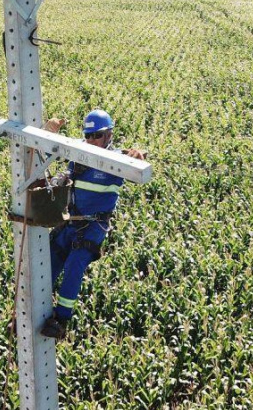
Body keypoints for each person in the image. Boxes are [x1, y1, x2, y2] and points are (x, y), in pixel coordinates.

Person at [38, 109, 145, 340]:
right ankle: (31, 313)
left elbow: (135, 164)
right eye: (88, 135)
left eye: (97, 135)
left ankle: (61, 319)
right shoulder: (80, 153)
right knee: (47, 265)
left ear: (108, 135)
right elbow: (59, 156)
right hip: (71, 221)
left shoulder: (115, 161)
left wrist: (135, 157)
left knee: (75, 265)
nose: (91, 140)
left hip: (93, 226)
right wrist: (48, 135)